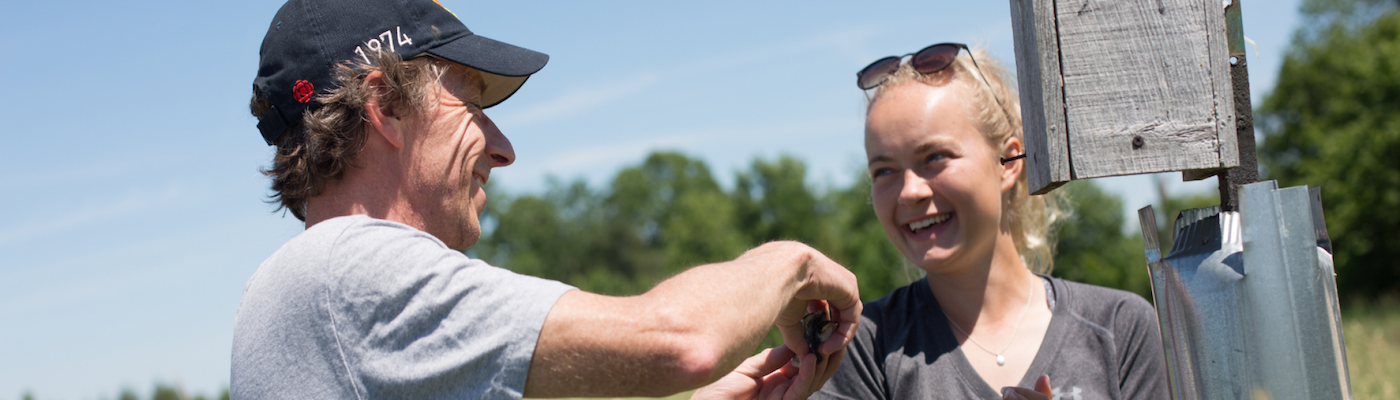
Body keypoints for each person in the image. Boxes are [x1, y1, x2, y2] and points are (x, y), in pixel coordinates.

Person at [231, 1, 861, 399]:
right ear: (387, 108)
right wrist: (791, 263)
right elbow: (681, 342)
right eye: (472, 105)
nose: (503, 148)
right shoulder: (352, 270)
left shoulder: (296, 294)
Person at [812, 43, 1168, 400]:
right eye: (884, 170)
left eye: (935, 157)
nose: (909, 192)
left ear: (1008, 162)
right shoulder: (861, 346)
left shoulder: (1120, 327)